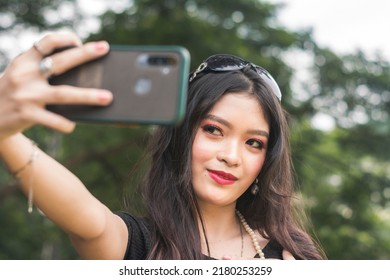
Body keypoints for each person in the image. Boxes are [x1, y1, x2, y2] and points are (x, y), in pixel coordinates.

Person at [0, 31, 326, 260]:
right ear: (183, 135)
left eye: (254, 143)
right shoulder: (137, 246)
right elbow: (85, 216)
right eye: (213, 130)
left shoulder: (292, 256)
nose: (230, 156)